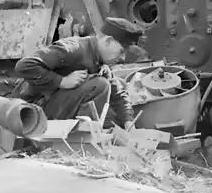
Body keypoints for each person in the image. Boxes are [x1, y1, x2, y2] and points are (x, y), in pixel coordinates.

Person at [14, 17, 145, 130]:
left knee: (113, 112)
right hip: (31, 112)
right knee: (100, 86)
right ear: (108, 41)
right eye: (121, 51)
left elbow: (118, 94)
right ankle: (82, 137)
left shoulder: (99, 62)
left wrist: (129, 122)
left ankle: (87, 133)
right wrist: (62, 81)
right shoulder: (74, 48)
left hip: (53, 107)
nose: (122, 58)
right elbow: (24, 65)